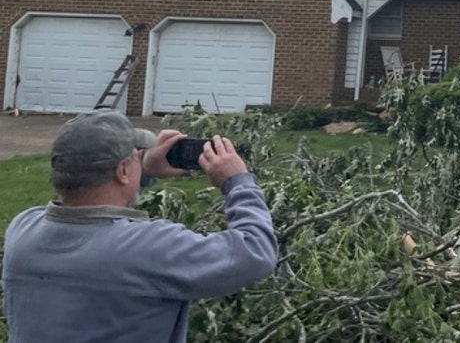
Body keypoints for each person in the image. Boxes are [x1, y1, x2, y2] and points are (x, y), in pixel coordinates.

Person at [1, 111, 277, 342]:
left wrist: (141, 170)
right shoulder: (149, 248)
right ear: (122, 171)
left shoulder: (23, 232)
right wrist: (237, 182)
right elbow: (254, 251)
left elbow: (85, 202)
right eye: (134, 156)